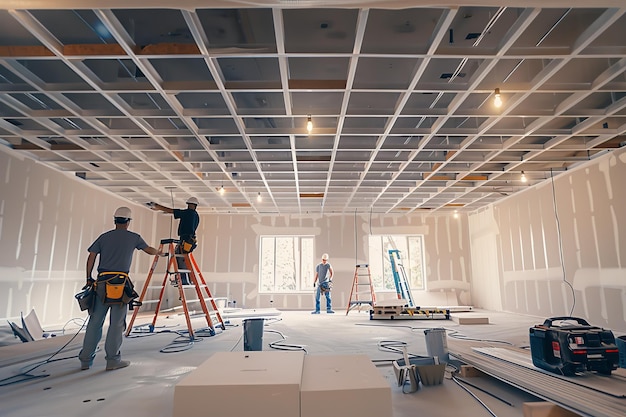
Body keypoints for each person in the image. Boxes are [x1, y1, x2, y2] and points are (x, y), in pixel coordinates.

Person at [79, 206, 161, 371]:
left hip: (101, 283)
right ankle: (113, 360)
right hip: (120, 285)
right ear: (128, 222)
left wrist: (88, 278)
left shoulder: (104, 237)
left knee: (95, 322)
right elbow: (148, 250)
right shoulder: (134, 237)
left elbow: (91, 256)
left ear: (115, 220)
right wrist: (160, 252)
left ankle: (86, 360)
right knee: (116, 323)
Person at [149, 197, 200, 285]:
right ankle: (186, 279)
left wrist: (157, 206)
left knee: (180, 259)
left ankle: (184, 280)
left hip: (185, 240)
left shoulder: (187, 213)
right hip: (190, 241)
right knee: (181, 259)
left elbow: (172, 211)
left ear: (189, 204)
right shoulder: (196, 215)